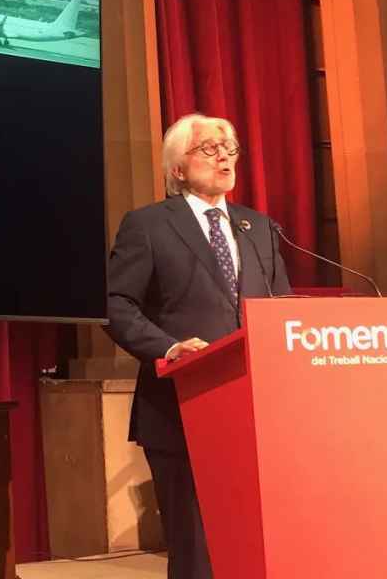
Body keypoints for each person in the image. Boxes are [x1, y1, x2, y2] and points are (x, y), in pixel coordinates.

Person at [104, 113, 292, 579]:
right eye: (209, 148)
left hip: (255, 408)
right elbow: (114, 303)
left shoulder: (258, 227)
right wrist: (168, 349)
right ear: (178, 169)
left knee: (256, 542)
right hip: (181, 407)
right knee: (197, 552)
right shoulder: (148, 225)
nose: (225, 155)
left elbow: (281, 307)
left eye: (230, 148)